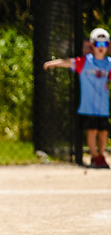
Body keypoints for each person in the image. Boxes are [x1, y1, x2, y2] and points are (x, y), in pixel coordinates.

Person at [43, 27, 111, 168]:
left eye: (104, 44)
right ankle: (94, 156)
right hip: (89, 106)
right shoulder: (85, 61)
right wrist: (53, 63)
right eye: (98, 44)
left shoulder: (109, 63)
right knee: (92, 131)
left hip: (103, 106)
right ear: (92, 45)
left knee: (103, 132)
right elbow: (69, 62)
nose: (101, 47)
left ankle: (101, 155)